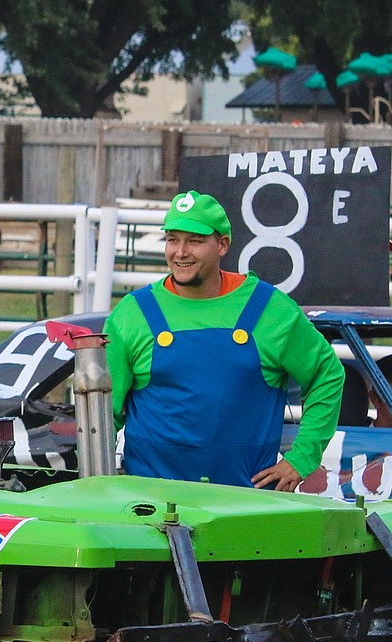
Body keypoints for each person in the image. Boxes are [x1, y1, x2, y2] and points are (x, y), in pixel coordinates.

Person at [104, 190, 344, 491]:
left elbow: (327, 374)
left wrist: (300, 459)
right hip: (148, 506)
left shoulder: (270, 309)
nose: (180, 252)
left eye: (195, 240)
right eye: (172, 239)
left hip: (246, 505)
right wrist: (97, 485)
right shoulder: (132, 314)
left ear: (223, 244)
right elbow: (104, 413)